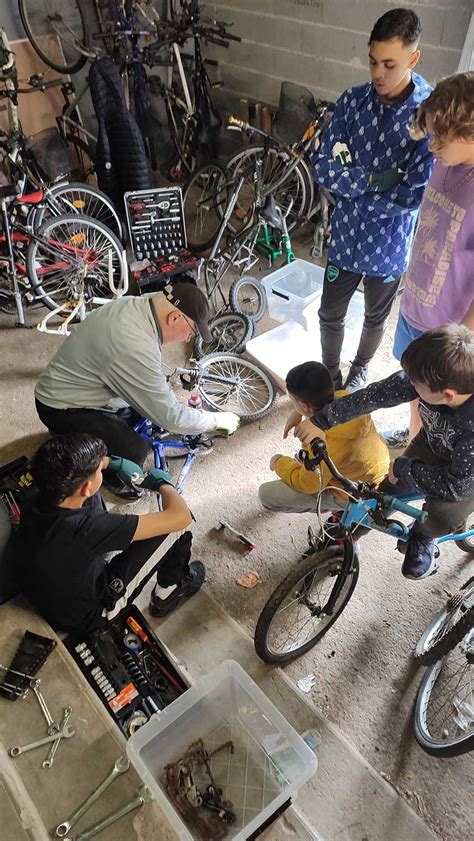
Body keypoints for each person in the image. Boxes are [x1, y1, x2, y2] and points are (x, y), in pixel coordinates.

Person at [290, 325, 474, 580]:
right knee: (385, 492)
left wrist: (403, 467)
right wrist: (320, 421)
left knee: (440, 516)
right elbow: (375, 395)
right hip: (434, 442)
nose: (409, 385)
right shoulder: (434, 376)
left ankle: (424, 537)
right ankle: (353, 533)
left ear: (447, 395)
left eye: (415, 384)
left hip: (465, 477)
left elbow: (455, 486)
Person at [311, 8, 433, 392]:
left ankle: (360, 368)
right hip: (346, 238)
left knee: (375, 318)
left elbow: (413, 194)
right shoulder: (352, 103)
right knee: (330, 313)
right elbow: (322, 165)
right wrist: (375, 180)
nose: (377, 73)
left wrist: (352, 192)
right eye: (372, 61)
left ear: (413, 58)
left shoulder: (428, 114)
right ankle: (330, 372)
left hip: (390, 245)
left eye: (389, 64)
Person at [35, 282, 240, 497]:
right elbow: (171, 418)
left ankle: (78, 433)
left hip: (82, 384)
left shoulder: (140, 306)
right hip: (60, 406)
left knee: (143, 416)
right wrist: (215, 420)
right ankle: (114, 480)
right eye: (191, 331)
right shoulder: (132, 343)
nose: (189, 339)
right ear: (174, 318)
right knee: (134, 449)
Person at [13, 433, 204, 634]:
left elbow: (85, 484)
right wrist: (164, 485)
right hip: (87, 614)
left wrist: (111, 463)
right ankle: (168, 592)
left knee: (92, 499)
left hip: (45, 586)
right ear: (85, 486)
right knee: (178, 528)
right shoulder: (89, 528)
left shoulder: (40, 492)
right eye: (98, 471)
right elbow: (180, 516)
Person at [384, 72, 474, 448]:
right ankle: (413, 436)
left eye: (441, 137)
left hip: (446, 330)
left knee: (440, 411)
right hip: (414, 307)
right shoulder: (444, 161)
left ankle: (422, 459)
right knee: (414, 390)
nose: (432, 145)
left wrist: (461, 342)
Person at [259, 361, 389, 514]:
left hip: (353, 492)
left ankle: (337, 508)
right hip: (376, 467)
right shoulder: (345, 397)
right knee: (307, 464)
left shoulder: (320, 442)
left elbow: (308, 484)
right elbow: (317, 406)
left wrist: (279, 462)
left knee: (266, 494)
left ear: (305, 406)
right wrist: (299, 413)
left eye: (293, 402)